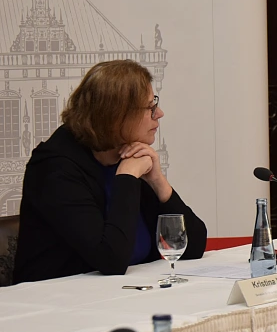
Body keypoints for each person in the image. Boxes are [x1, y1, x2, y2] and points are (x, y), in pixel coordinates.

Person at [13, 60, 207, 284]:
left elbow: (194, 246)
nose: (159, 113)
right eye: (150, 108)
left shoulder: (126, 153)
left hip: (123, 294)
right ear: (116, 116)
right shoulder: (55, 168)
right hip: (56, 303)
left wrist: (158, 181)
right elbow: (111, 259)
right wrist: (126, 178)